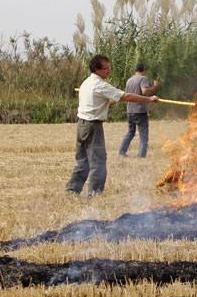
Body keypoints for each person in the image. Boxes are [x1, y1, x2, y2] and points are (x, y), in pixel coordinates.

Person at [65, 55, 159, 196]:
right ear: (97, 69)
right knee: (98, 162)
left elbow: (102, 102)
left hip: (82, 125)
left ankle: (72, 190)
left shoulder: (87, 82)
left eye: (109, 67)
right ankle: (95, 194)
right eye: (106, 68)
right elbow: (127, 97)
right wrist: (149, 99)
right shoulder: (100, 85)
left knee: (83, 161)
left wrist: (114, 99)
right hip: (93, 126)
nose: (109, 70)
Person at [119, 63, 160, 157]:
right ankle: (141, 156)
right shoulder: (143, 78)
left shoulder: (129, 80)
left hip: (130, 110)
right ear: (143, 70)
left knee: (130, 132)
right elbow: (145, 91)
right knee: (143, 136)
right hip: (140, 111)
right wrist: (155, 86)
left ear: (135, 70)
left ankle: (122, 152)